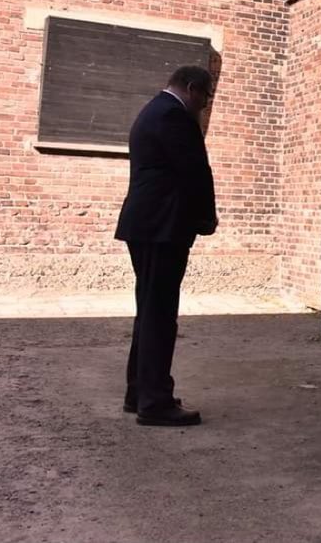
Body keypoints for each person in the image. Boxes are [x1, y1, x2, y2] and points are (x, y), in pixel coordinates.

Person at [115, 65, 218, 426]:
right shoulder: (174, 116)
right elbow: (194, 172)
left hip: (146, 223)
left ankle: (139, 391)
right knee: (160, 314)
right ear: (191, 88)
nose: (205, 106)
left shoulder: (152, 110)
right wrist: (207, 218)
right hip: (163, 226)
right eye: (206, 97)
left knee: (149, 311)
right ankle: (155, 402)